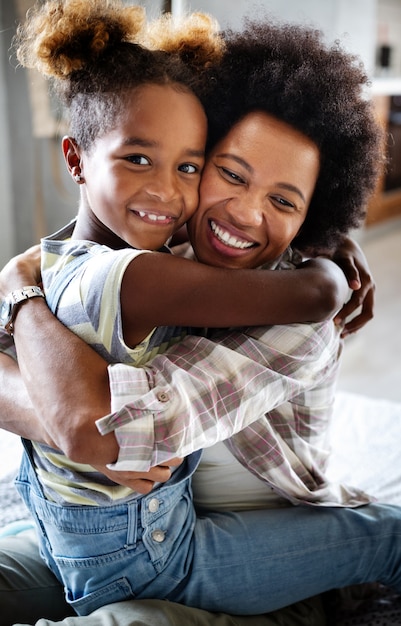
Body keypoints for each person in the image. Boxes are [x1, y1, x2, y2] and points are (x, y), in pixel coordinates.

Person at [0, 2, 394, 625]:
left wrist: (22, 295)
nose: (243, 214)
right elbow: (72, 293)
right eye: (229, 174)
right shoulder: (165, 245)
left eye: (283, 202)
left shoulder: (300, 323)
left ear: (311, 218)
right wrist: (24, 292)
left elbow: (108, 429)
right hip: (130, 532)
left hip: (250, 570)